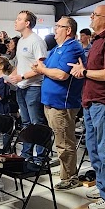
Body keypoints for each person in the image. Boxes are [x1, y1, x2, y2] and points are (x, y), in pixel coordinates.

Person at [70, 5, 105, 209]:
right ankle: (103, 187)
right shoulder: (98, 40)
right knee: (93, 148)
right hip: (91, 100)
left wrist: (83, 71)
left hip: (103, 102)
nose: (91, 18)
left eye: (95, 15)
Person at [32, 16, 85, 189]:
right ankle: (65, 171)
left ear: (68, 30)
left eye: (58, 26)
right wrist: (39, 68)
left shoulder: (72, 48)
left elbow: (62, 75)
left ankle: (70, 177)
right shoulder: (57, 49)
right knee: (60, 140)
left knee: (64, 142)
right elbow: (47, 67)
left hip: (62, 103)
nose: (54, 30)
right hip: (51, 102)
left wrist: (43, 69)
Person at [6, 11, 48, 168]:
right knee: (26, 123)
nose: (15, 22)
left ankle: (41, 157)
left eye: (19, 19)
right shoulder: (22, 41)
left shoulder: (36, 41)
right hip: (21, 88)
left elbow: (40, 67)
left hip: (33, 87)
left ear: (28, 23)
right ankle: (26, 154)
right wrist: (12, 76)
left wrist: (22, 77)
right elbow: (20, 65)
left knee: (37, 123)